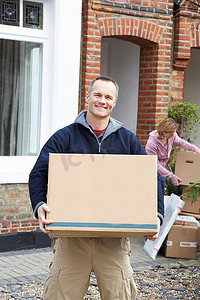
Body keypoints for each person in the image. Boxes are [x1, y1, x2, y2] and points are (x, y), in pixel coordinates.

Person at [29, 75, 164, 300]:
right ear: (88, 96)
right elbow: (38, 173)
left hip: (114, 241)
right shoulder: (65, 137)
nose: (103, 100)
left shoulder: (127, 140)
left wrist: (156, 216)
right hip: (72, 240)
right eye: (98, 95)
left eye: (108, 97)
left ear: (114, 102)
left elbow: (151, 177)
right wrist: (39, 205)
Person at [145, 118, 200, 201]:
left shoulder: (171, 137)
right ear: (163, 131)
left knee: (160, 196)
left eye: (174, 133)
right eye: (171, 133)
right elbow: (155, 165)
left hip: (162, 172)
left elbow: (182, 143)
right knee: (155, 197)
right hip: (152, 172)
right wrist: (171, 176)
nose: (173, 135)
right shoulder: (151, 144)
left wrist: (196, 150)